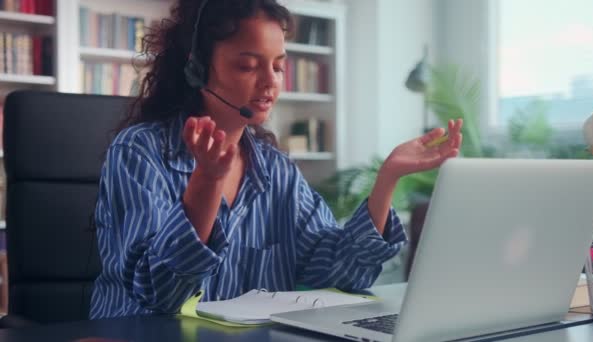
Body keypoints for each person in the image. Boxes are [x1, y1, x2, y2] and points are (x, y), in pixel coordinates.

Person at [89, 0, 463, 319]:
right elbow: (159, 295)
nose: (270, 83)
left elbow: (337, 271)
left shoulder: (275, 170)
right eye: (248, 66)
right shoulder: (139, 153)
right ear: (197, 69)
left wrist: (387, 180)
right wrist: (206, 182)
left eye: (279, 66)